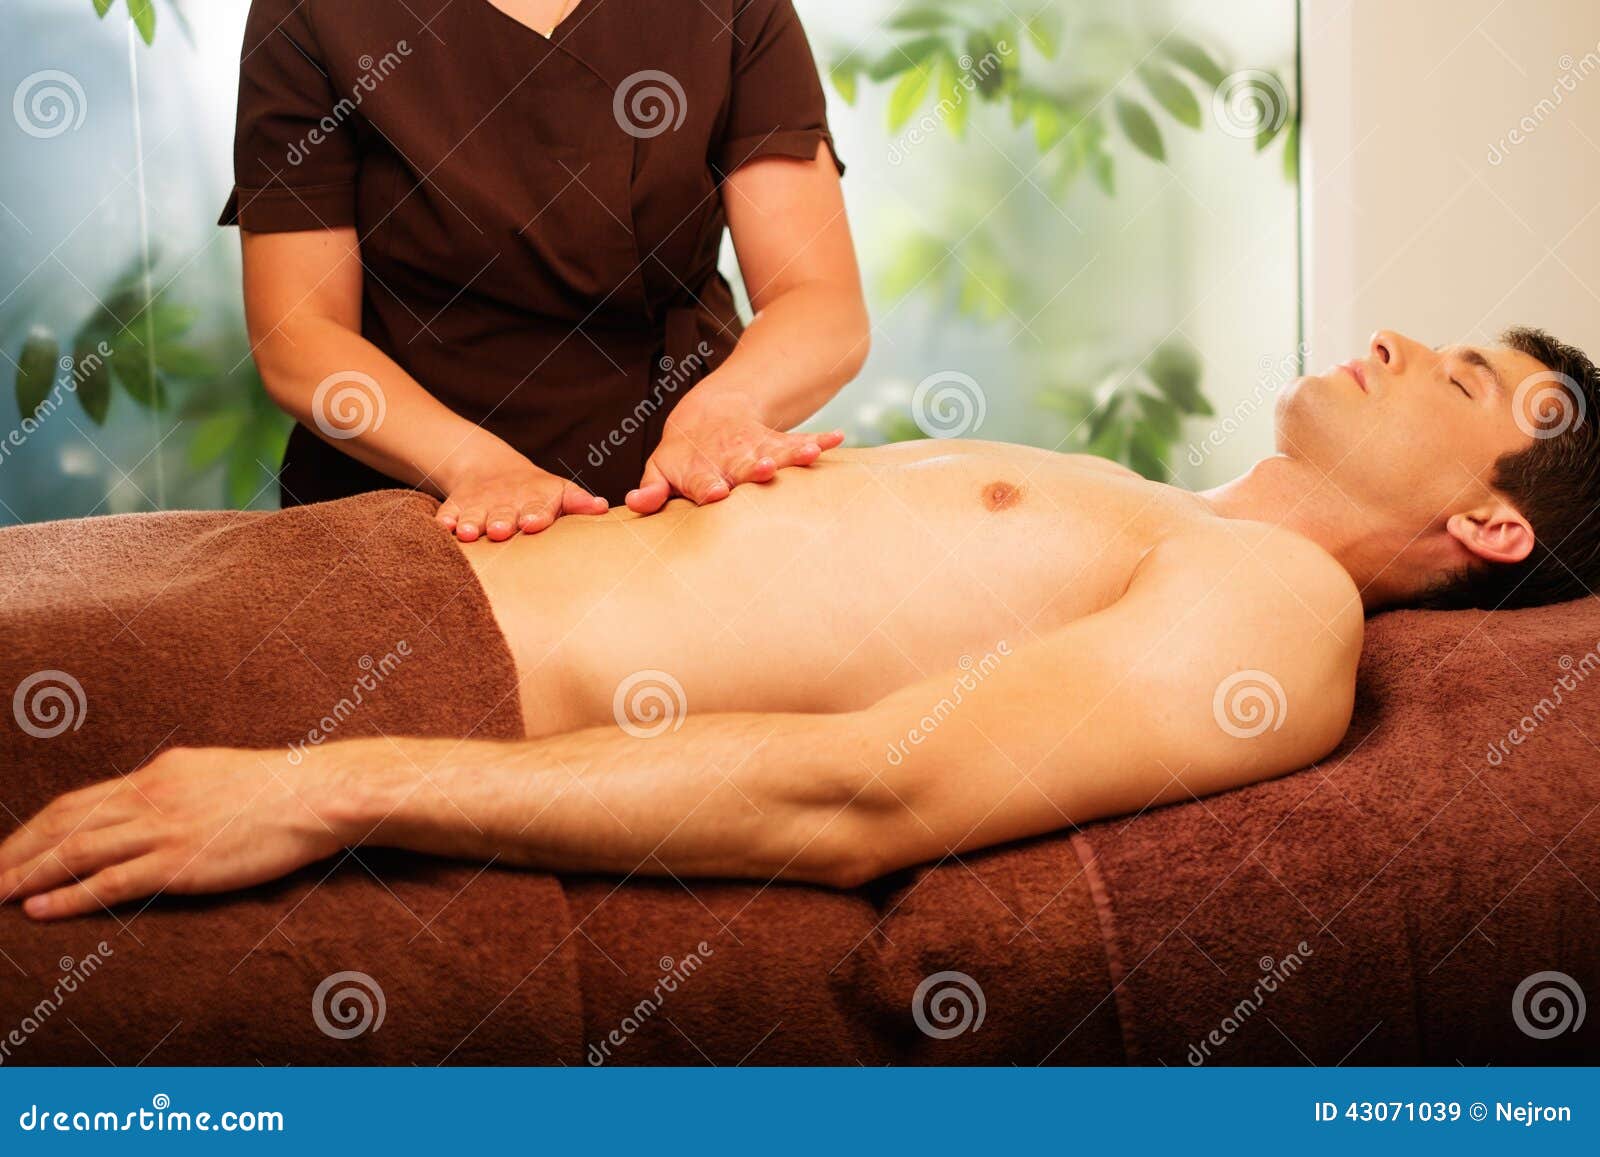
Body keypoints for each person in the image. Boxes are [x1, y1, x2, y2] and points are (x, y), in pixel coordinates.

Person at [3, 327, 1597, 919]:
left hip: (355, 674)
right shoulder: (1145, 502)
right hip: (332, 566)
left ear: (1492, 524)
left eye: (1465, 380)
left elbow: (871, 789)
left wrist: (314, 781)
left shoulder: (1280, 604)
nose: (1399, 337)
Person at [225, 0, 867, 539]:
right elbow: (300, 332)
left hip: (688, 488)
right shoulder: (316, 14)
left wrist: (724, 413)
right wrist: (472, 467)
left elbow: (816, 297)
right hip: (414, 503)